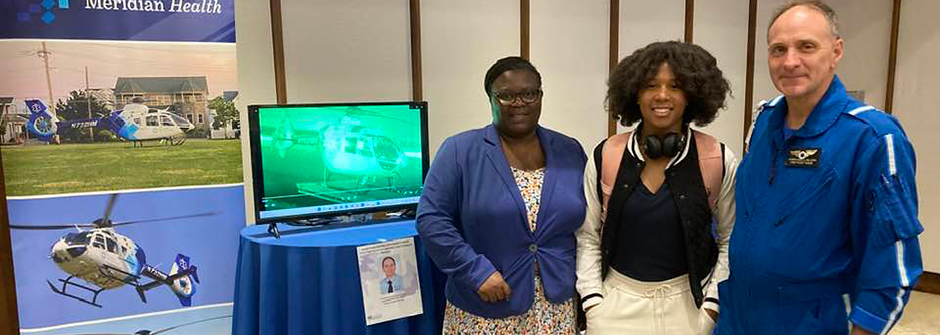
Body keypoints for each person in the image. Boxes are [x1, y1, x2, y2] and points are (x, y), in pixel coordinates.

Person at [717, 2, 923, 335]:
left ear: (836, 51)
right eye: (778, 49)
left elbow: (892, 263)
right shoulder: (764, 120)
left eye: (807, 47)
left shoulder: (872, 137)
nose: (790, 61)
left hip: (814, 322)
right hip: (739, 315)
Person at [576, 41, 736, 335]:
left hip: (689, 308)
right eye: (651, 85)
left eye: (675, 86)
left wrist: (711, 307)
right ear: (635, 94)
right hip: (615, 307)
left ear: (691, 96)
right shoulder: (606, 155)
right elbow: (587, 237)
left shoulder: (716, 157)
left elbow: (730, 240)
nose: (662, 95)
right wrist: (594, 304)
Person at [417, 56, 586, 334]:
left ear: (540, 96)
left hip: (556, 305)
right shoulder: (460, 151)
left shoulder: (570, 150)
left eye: (529, 93)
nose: (520, 103)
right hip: (487, 304)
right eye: (507, 96)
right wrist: (475, 271)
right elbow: (431, 220)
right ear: (491, 99)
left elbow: (585, 224)